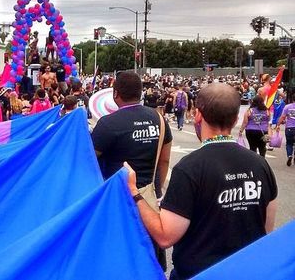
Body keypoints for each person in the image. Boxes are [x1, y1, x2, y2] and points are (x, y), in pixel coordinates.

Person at [126, 83, 277, 280]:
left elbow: (165, 235)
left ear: (198, 115)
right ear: (236, 118)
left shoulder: (190, 168)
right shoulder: (261, 165)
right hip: (246, 272)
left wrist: (134, 192)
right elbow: (266, 229)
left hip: (198, 273)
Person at [91, 71, 172, 269]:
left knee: (119, 253)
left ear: (115, 93)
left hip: (117, 199)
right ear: (141, 92)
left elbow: (89, 160)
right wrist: (155, 188)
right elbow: (165, 160)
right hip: (149, 198)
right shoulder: (159, 120)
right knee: (150, 252)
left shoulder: (108, 124)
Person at [277, 94, 295, 166]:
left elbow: (282, 117)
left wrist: (278, 125)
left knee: (289, 143)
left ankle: (289, 156)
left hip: (289, 128)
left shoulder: (287, 107)